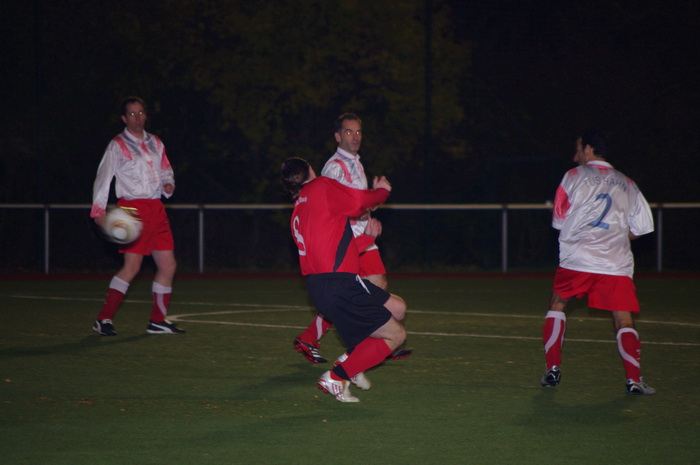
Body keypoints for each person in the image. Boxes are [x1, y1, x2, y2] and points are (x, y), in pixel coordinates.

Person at [282, 157, 407, 402]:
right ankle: (339, 375)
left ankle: (353, 361)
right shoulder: (321, 186)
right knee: (396, 335)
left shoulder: (299, 209)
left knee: (398, 308)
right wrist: (382, 192)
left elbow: (330, 252)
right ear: (309, 170)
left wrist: (366, 239)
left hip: (326, 284)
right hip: (339, 284)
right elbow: (359, 202)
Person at [540, 129, 655, 395]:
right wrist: (615, 238)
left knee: (558, 304)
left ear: (589, 149)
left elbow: (559, 220)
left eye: (578, 149)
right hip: (615, 262)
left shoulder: (573, 176)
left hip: (577, 257)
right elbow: (643, 227)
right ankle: (634, 380)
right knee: (623, 318)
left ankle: (552, 368)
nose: (575, 156)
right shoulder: (628, 183)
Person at [293, 112, 411, 364]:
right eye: (349, 132)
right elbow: (332, 209)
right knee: (363, 290)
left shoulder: (356, 163)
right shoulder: (334, 168)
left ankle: (318, 338)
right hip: (348, 243)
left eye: (358, 131)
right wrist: (377, 197)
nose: (355, 137)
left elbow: (356, 203)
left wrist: (373, 202)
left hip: (363, 237)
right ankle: (372, 341)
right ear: (337, 136)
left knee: (373, 287)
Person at [90, 96, 184, 336]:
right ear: (124, 118)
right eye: (132, 114)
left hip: (156, 209)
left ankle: (157, 321)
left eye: (140, 112)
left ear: (146, 115)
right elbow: (103, 177)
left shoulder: (156, 142)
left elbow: (166, 170)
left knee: (168, 265)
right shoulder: (117, 145)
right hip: (132, 210)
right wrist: (99, 211)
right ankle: (104, 319)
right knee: (132, 267)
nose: (137, 117)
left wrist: (168, 184)